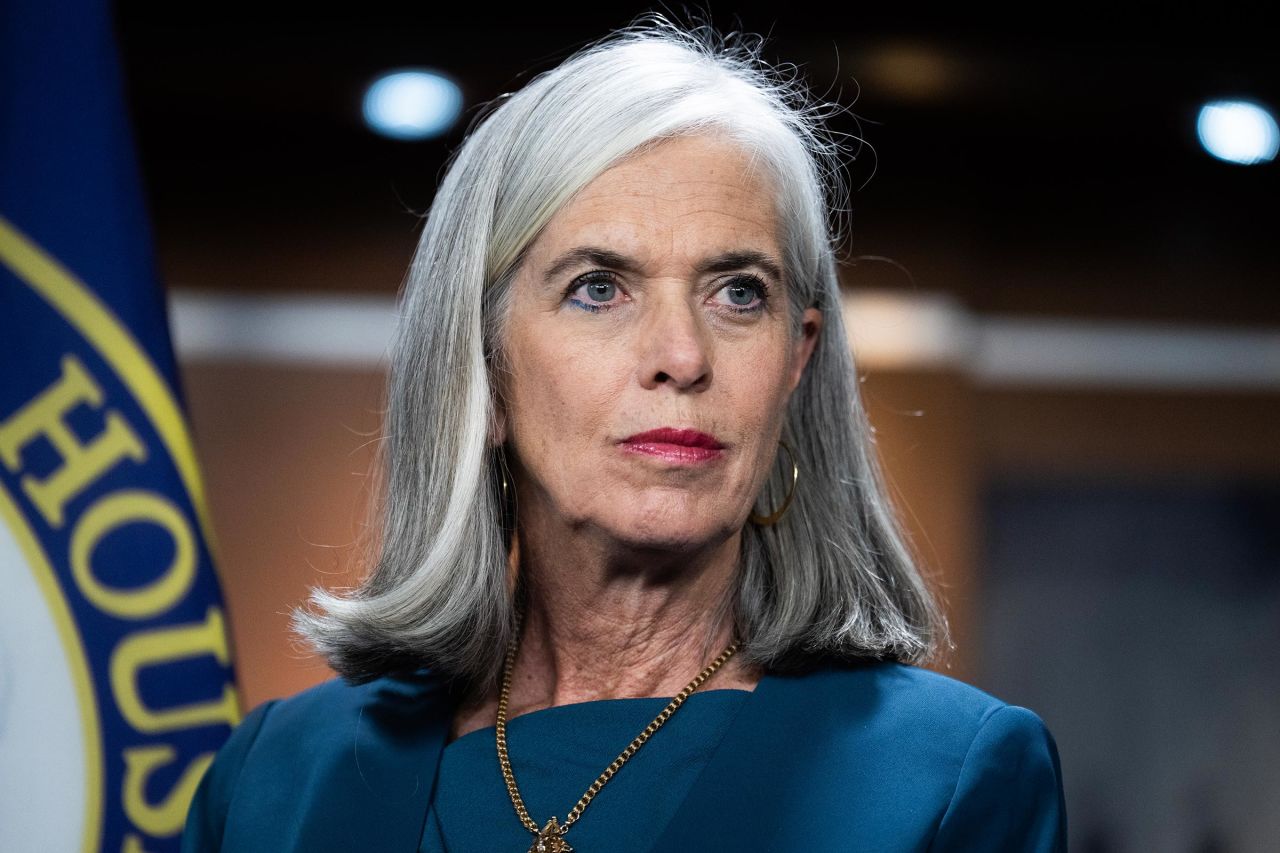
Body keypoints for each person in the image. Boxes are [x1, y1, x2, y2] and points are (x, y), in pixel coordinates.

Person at [182, 13, 1067, 853]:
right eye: (599, 287)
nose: (682, 355)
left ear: (795, 368)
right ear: (482, 368)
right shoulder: (276, 780)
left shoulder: (947, 778)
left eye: (737, 292)